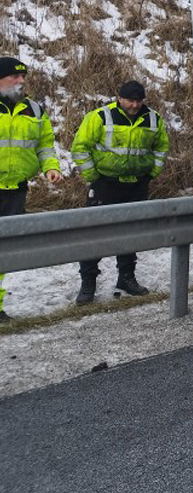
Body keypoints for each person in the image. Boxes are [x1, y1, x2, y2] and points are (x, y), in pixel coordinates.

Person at [70, 80, 169, 304]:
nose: (134, 105)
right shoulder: (100, 117)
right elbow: (80, 146)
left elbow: (161, 147)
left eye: (138, 101)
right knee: (95, 234)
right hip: (105, 185)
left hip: (137, 185)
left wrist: (152, 173)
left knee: (131, 233)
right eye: (130, 101)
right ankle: (88, 283)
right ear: (119, 98)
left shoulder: (153, 119)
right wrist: (93, 177)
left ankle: (126, 278)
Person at [0, 56, 64, 322]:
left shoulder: (35, 110)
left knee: (3, 251)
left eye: (24, 76)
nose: (21, 81)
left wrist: (51, 167)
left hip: (16, 190)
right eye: (15, 76)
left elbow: (45, 144)